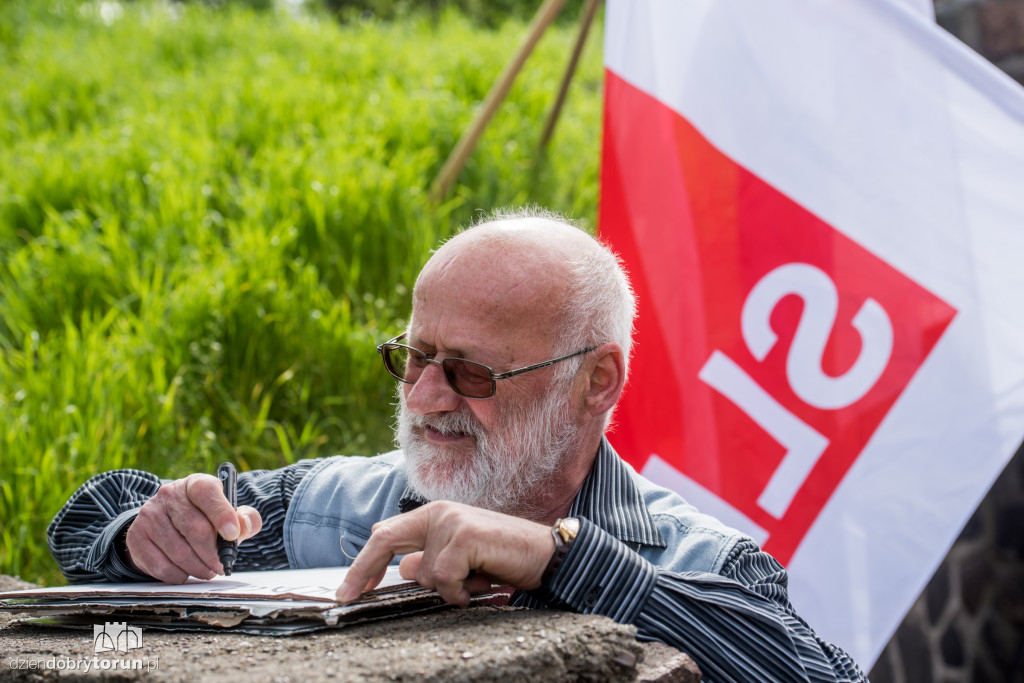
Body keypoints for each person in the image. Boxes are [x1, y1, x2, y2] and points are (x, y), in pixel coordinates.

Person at [49, 208, 866, 682]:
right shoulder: (341, 502)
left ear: (597, 382)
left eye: (471, 373)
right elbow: (94, 521)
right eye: (413, 357)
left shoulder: (698, 557)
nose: (424, 397)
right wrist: (146, 533)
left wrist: (561, 560)